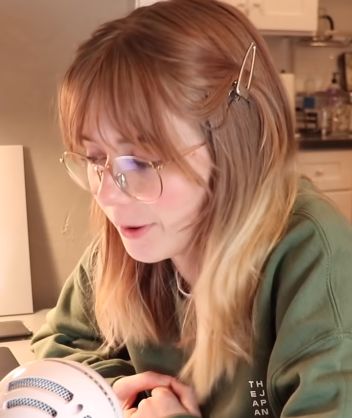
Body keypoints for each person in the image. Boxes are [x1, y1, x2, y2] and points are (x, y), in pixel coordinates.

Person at [31, 0, 352, 417]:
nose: (107, 194)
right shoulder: (135, 236)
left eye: (140, 162)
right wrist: (116, 390)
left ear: (231, 146)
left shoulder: (312, 254)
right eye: (95, 159)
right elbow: (58, 346)